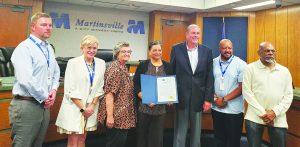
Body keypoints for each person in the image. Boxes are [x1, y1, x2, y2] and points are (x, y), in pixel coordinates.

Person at [9, 12, 60, 147]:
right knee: (23, 144)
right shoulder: (24, 48)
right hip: (27, 105)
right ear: (33, 27)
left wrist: (54, 90)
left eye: (50, 25)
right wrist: (45, 96)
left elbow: (56, 71)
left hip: (44, 106)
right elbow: (26, 80)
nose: (48, 28)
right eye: (43, 25)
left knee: (38, 143)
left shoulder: (48, 47)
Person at [55, 35, 106, 147]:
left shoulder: (101, 63)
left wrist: (92, 105)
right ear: (82, 48)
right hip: (75, 107)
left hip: (91, 108)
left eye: (94, 48)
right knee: (73, 142)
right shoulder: (73, 63)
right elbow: (70, 89)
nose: (92, 51)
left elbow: (100, 87)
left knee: (82, 140)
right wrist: (83, 108)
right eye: (89, 47)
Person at [170, 24, 214, 147]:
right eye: (193, 33)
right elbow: (171, 73)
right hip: (181, 97)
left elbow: (210, 77)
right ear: (187, 34)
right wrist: (170, 95)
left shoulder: (207, 51)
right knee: (180, 131)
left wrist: (208, 99)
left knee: (196, 132)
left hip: (199, 98)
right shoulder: (176, 49)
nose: (196, 35)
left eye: (198, 33)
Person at [243, 42, 293, 147]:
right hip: (254, 117)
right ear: (259, 52)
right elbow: (247, 92)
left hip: (278, 118)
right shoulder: (250, 68)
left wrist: (274, 112)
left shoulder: (284, 71)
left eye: (272, 51)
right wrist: (263, 113)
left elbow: (288, 96)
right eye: (267, 50)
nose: (270, 53)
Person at [133, 41, 173, 147]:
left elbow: (171, 86)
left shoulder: (168, 66)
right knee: (142, 138)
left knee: (156, 140)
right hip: (144, 109)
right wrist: (144, 97)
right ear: (149, 52)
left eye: (159, 50)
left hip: (160, 111)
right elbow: (135, 84)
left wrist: (170, 99)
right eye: (154, 50)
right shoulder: (143, 65)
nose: (157, 52)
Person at [98, 42, 136, 147]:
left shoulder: (122, 66)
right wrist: (110, 116)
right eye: (123, 51)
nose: (127, 54)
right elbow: (109, 94)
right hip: (116, 116)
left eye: (129, 52)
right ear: (117, 53)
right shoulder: (115, 69)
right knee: (115, 143)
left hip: (122, 116)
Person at [211, 39, 247, 147]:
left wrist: (224, 99)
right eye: (224, 48)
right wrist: (214, 98)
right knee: (219, 140)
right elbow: (208, 83)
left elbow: (242, 87)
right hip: (216, 108)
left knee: (233, 141)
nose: (227, 50)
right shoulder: (212, 63)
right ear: (219, 49)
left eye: (230, 48)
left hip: (234, 111)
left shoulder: (241, 64)